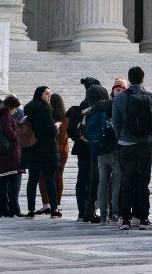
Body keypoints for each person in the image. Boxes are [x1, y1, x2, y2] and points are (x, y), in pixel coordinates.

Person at [111, 66, 152, 229]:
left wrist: (121, 137)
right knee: (143, 182)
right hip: (145, 144)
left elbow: (115, 123)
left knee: (127, 181)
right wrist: (150, 139)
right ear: (143, 79)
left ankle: (125, 219)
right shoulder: (151, 97)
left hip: (126, 144)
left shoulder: (119, 99)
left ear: (129, 79)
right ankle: (141, 218)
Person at [22, 86, 62, 218]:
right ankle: (54, 209)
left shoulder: (28, 109)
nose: (49, 96)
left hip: (32, 148)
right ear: (40, 95)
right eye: (46, 94)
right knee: (49, 179)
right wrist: (56, 126)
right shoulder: (44, 110)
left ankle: (30, 210)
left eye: (49, 94)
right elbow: (51, 131)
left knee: (32, 180)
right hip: (46, 149)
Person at [73, 78, 109, 222]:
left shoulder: (90, 105)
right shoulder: (89, 106)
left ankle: (87, 210)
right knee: (87, 179)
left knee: (89, 179)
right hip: (88, 148)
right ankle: (85, 210)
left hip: (87, 147)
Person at [96, 79, 126, 224]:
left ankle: (103, 215)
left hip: (102, 149)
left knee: (103, 182)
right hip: (116, 148)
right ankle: (113, 214)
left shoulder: (103, 105)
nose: (120, 92)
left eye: (122, 90)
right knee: (116, 182)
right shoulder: (122, 104)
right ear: (113, 91)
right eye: (118, 89)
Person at [0, 95, 23, 217]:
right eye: (16, 108)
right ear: (11, 107)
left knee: (1, 184)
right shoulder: (6, 117)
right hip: (10, 155)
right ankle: (14, 209)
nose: (16, 110)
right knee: (14, 183)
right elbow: (10, 134)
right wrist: (18, 131)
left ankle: (2, 210)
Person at [38, 92, 70, 214]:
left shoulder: (47, 117)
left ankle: (46, 204)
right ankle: (56, 204)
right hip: (62, 150)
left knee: (43, 178)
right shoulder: (66, 118)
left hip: (48, 149)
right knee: (58, 177)